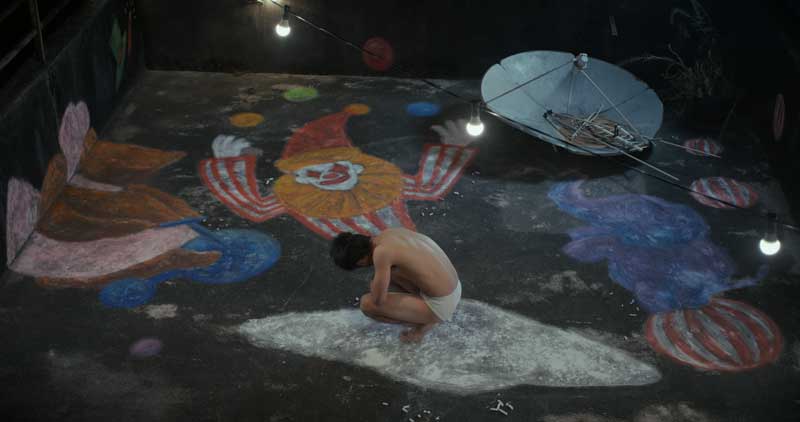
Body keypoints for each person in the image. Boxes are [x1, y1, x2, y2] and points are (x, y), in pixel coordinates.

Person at [330, 228, 462, 342]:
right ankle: (423, 311)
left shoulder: (381, 253)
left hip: (442, 304)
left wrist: (373, 284)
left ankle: (424, 325)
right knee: (391, 273)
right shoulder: (388, 234)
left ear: (360, 261)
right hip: (455, 287)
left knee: (367, 304)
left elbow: (378, 301)